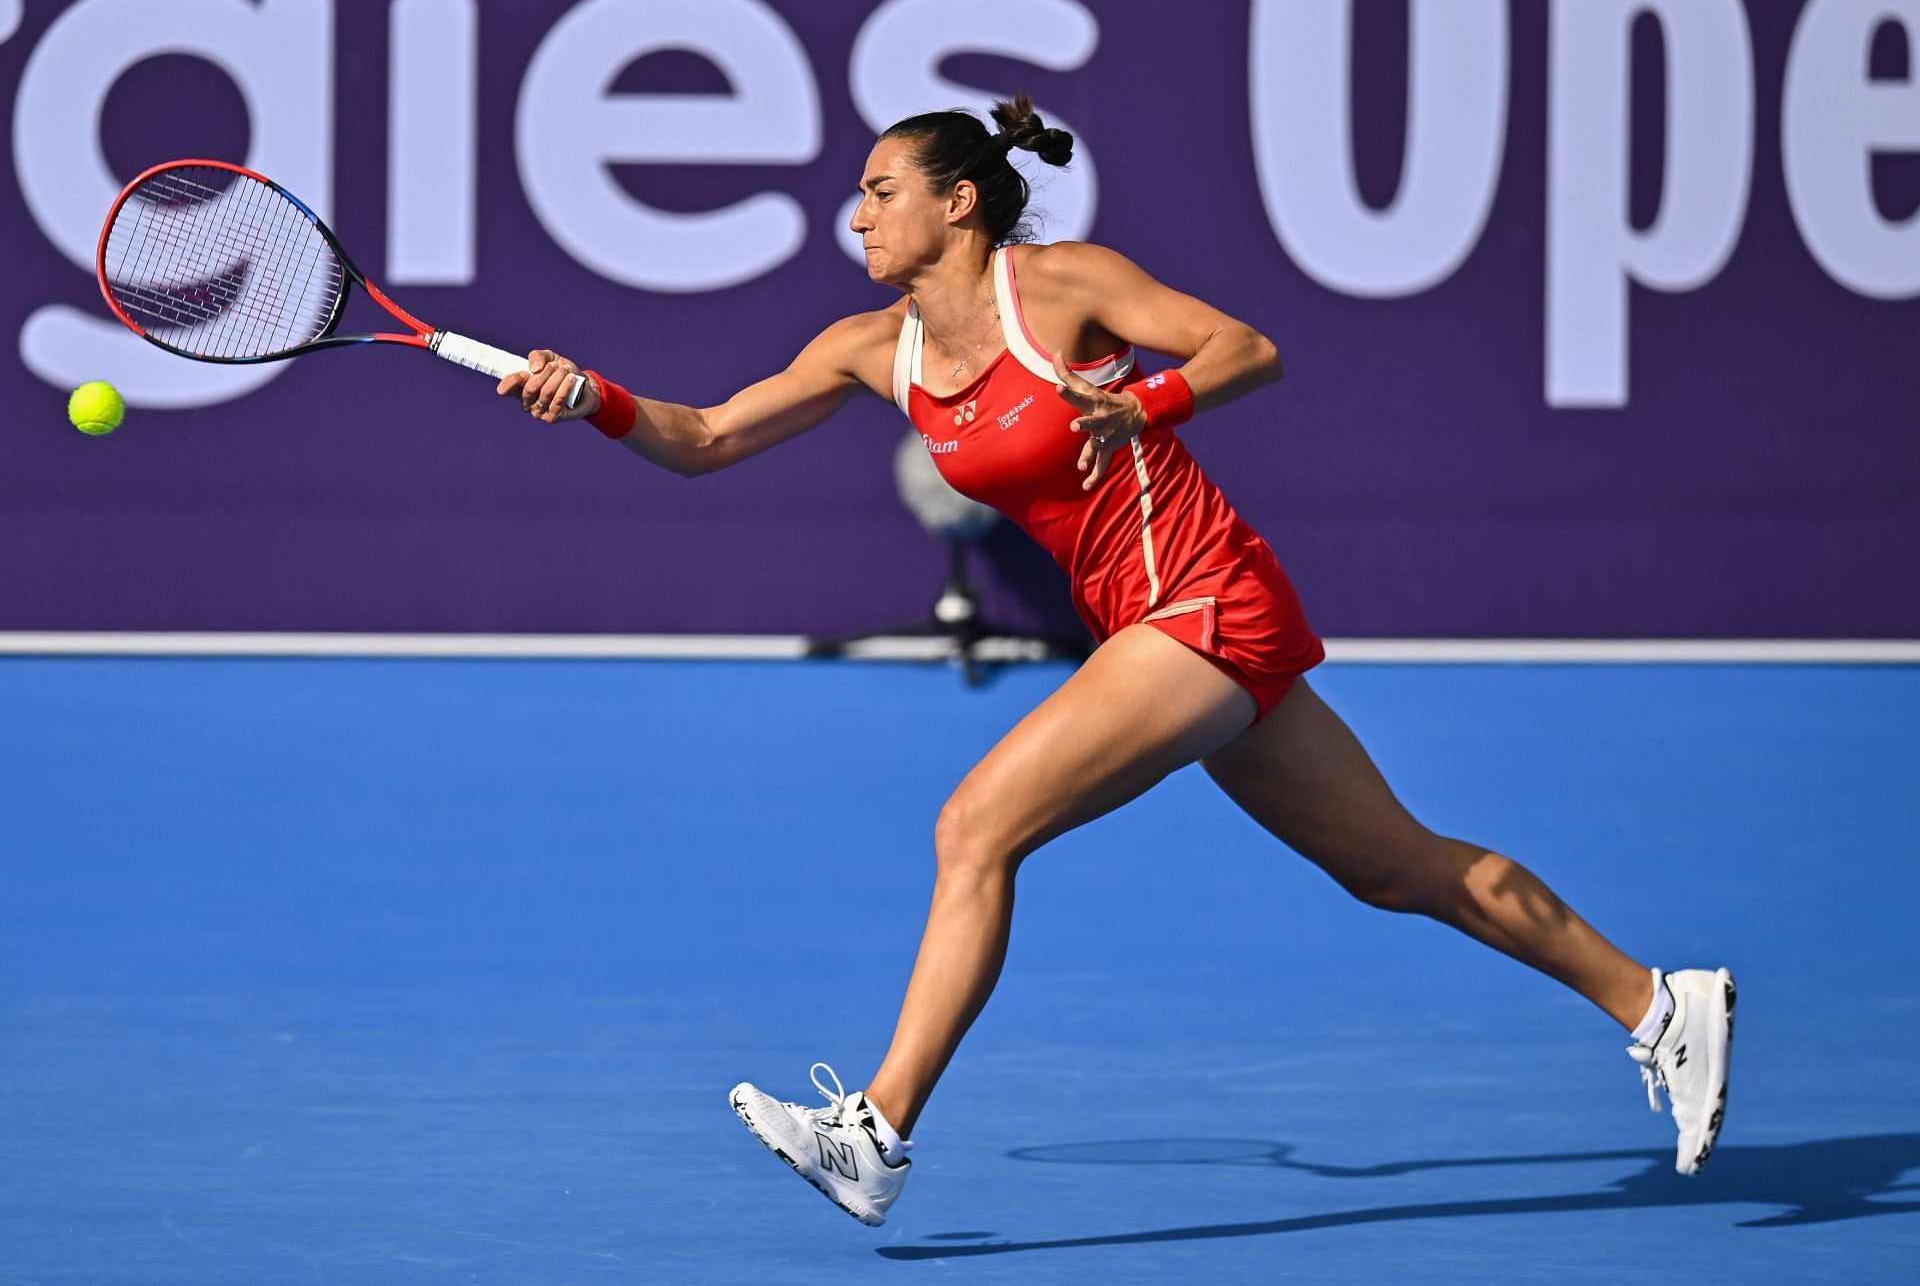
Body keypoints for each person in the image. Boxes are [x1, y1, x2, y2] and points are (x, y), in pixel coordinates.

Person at [501, 93, 1735, 1228]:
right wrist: (594, 397)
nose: (859, 212)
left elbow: (1245, 347)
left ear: (958, 201)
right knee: (1395, 865)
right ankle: (1659, 1000)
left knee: (977, 825)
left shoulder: (1064, 286)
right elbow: (708, 434)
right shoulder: (873, 347)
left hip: (1202, 599)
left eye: (883, 189)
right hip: (1154, 626)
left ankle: (872, 1132)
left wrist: (1144, 405)